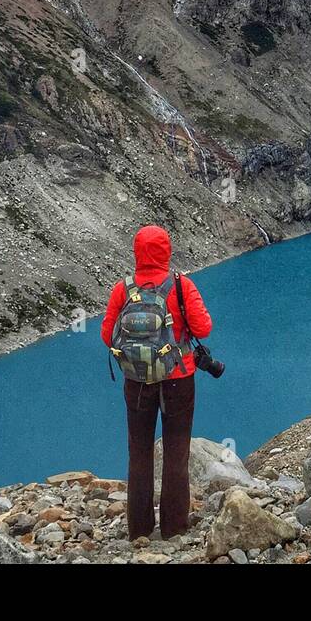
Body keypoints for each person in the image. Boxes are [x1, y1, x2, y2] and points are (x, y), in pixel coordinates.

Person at [101, 224, 212, 541]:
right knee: (177, 453)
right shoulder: (180, 285)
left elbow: (106, 335)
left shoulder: (123, 289)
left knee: (139, 452)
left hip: (136, 382)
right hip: (178, 379)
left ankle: (139, 528)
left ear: (137, 251)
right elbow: (203, 328)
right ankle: (174, 527)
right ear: (166, 251)